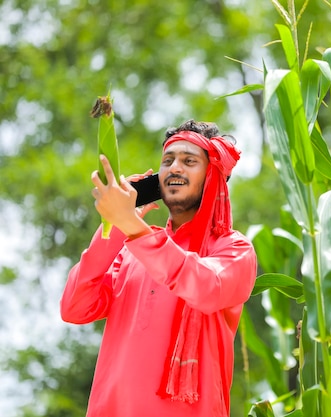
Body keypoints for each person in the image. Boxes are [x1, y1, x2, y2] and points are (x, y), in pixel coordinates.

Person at [60, 120, 257, 416]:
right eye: (168, 160)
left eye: (189, 161)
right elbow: (75, 307)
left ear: (212, 176)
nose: (175, 168)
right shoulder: (129, 249)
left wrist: (133, 228)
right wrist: (115, 226)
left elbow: (205, 287)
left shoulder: (234, 249)